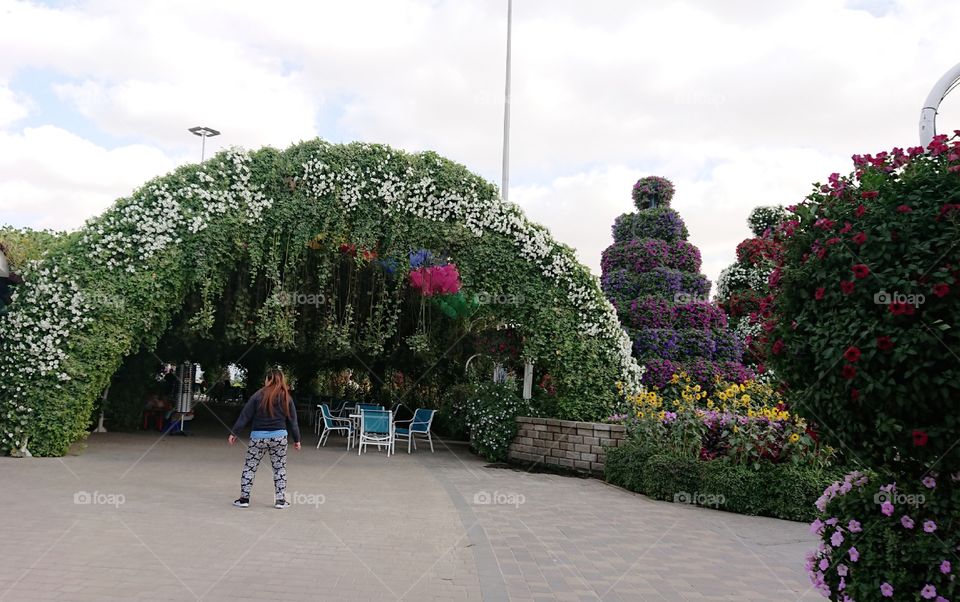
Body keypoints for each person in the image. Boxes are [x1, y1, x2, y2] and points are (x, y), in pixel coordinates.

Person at [228, 369, 301, 509]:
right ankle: (280, 501)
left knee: (250, 467)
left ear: (268, 380)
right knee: (279, 469)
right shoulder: (286, 397)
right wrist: (297, 440)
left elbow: (245, 415)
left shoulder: (257, 395)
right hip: (279, 438)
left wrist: (234, 432)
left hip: (258, 438)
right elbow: (293, 421)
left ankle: (244, 499)